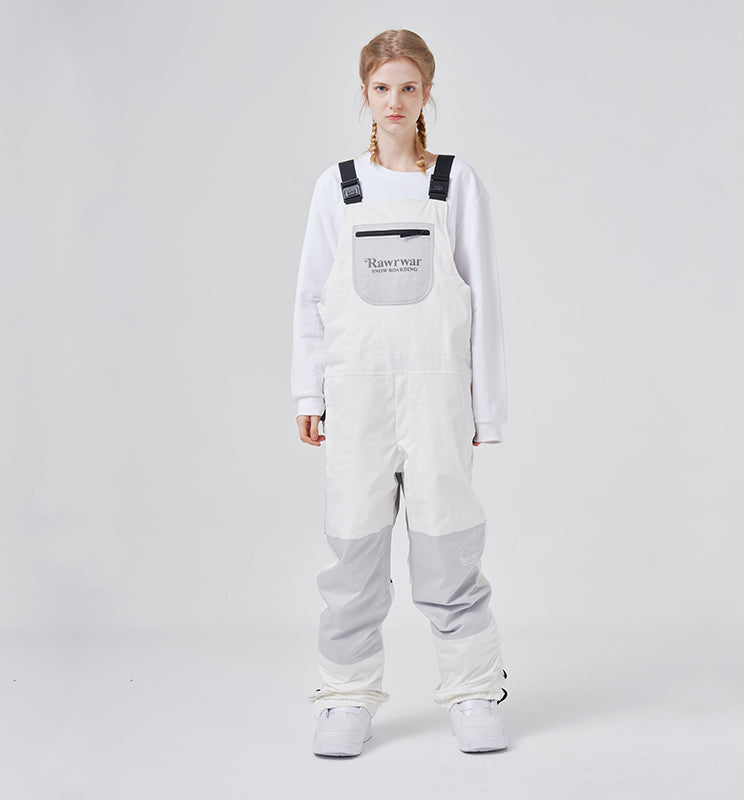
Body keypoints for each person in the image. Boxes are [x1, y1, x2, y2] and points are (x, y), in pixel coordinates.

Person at [291, 28, 509, 757]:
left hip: (438, 396)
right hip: (355, 397)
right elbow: (310, 297)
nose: (395, 101)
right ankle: (345, 697)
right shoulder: (337, 186)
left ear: (427, 94)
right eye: (382, 87)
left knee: (448, 546)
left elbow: (484, 299)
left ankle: (474, 689)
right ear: (365, 93)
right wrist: (308, 394)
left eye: (408, 87)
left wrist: (487, 408)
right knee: (354, 551)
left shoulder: (454, 183)